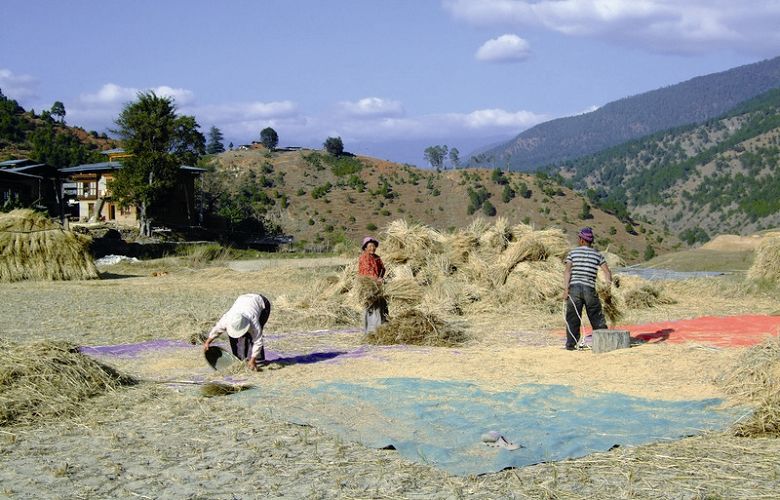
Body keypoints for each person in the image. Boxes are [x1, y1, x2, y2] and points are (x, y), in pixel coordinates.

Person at [562, 227, 612, 350]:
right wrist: (608, 289)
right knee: (596, 317)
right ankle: (604, 343)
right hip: (589, 289)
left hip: (574, 290)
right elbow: (607, 272)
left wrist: (566, 289)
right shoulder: (597, 255)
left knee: (572, 318)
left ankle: (571, 345)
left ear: (582, 240)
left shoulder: (573, 253)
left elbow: (567, 271)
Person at [203, 293, 271, 370]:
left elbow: (258, 341)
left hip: (261, 304)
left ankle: (258, 361)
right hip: (243, 300)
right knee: (235, 338)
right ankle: (239, 360)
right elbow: (217, 329)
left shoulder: (253, 320)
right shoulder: (227, 319)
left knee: (249, 336)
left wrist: (253, 359)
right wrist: (208, 342)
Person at [358, 236, 387, 333]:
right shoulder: (364, 257)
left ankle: (381, 329)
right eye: (370, 246)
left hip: (378, 286)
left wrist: (381, 277)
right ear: (365, 248)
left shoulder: (377, 258)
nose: (372, 248)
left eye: (374, 246)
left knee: (381, 306)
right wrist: (376, 280)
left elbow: (383, 269)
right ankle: (370, 332)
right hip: (368, 287)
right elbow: (367, 272)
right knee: (370, 307)